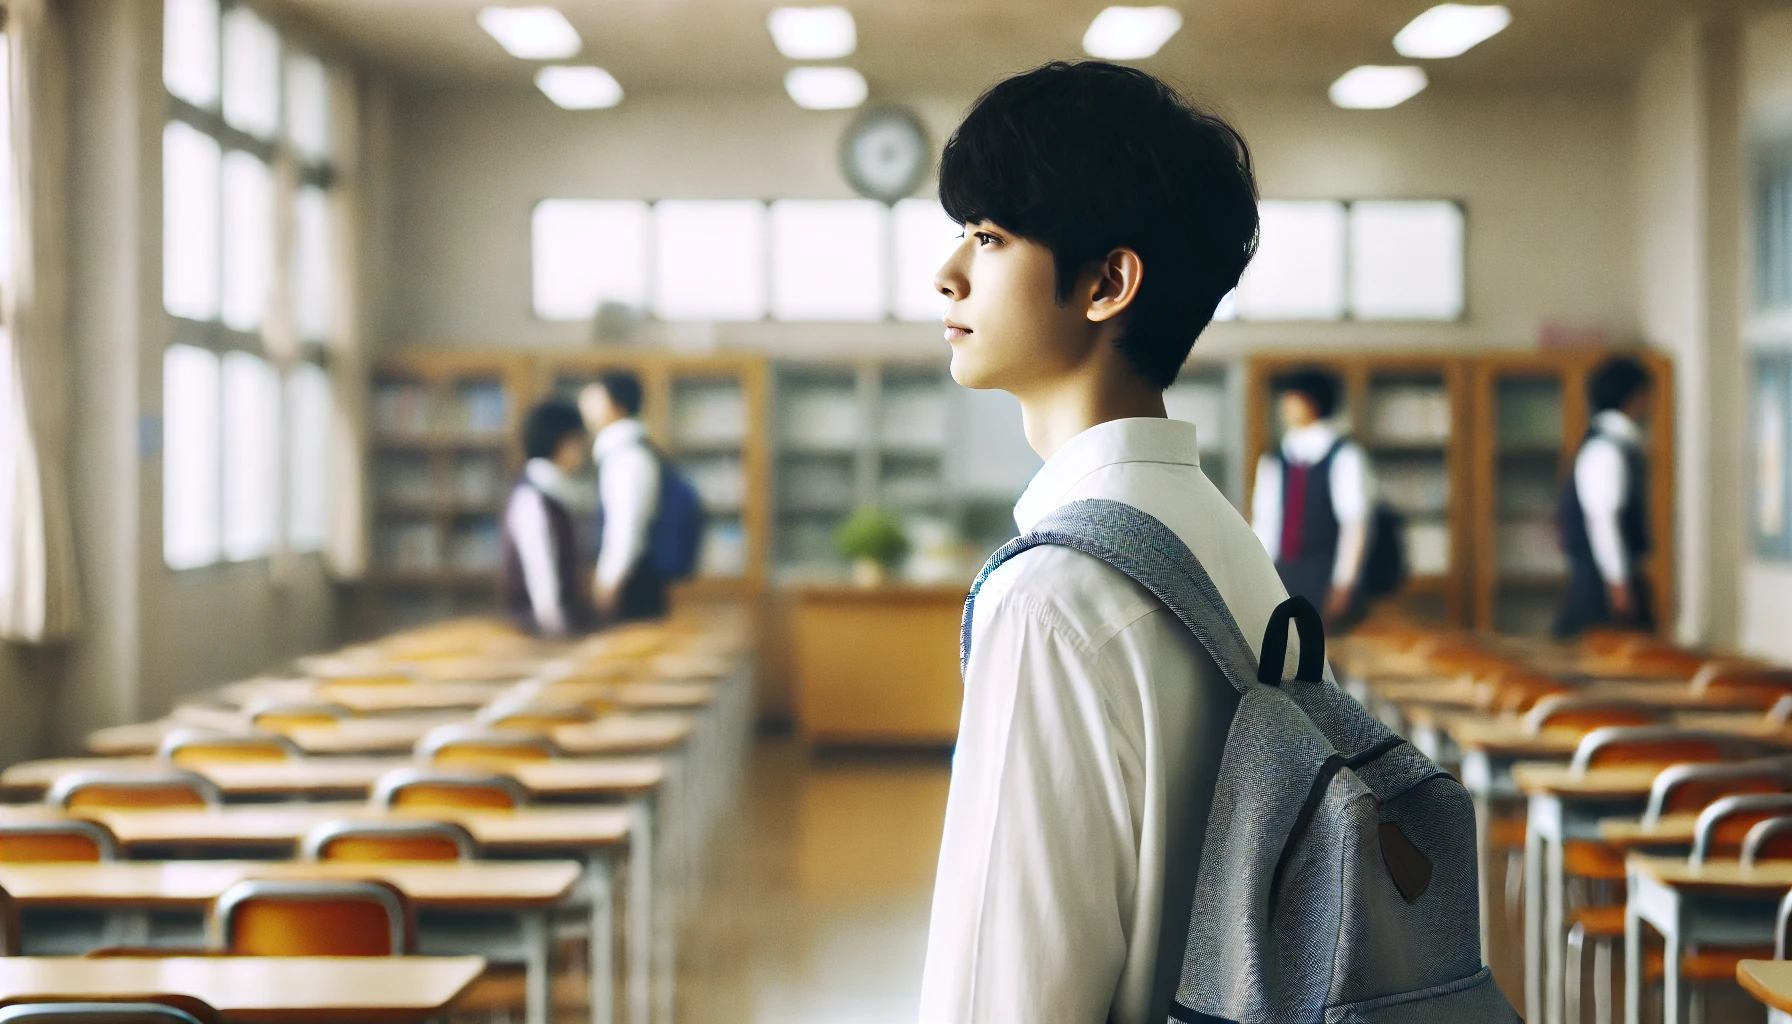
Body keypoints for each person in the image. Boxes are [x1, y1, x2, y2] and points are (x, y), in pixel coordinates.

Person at [918, 61, 1286, 1024]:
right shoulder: (1221, 537)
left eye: (990, 238)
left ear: (1108, 282)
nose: (948, 272)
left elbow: (1009, 991)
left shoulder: (1052, 595)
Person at [1249, 369, 1376, 623]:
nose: (1284, 406)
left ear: (1313, 401)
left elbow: (1354, 524)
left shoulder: (1344, 455)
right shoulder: (1275, 458)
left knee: (1328, 650)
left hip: (1325, 571)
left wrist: (1344, 583)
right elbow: (1265, 522)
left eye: (1292, 398)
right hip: (1283, 571)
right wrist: (1259, 576)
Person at [1555, 355, 1654, 637]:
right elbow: (1604, 520)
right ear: (1633, 396)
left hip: (1602, 579)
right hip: (1600, 586)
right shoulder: (1606, 450)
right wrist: (1619, 582)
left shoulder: (1612, 444)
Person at [500, 399, 595, 636]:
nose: (582, 450)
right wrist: (556, 632)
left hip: (548, 624)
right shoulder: (532, 497)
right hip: (534, 629)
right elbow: (541, 576)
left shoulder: (556, 489)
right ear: (559, 443)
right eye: (577, 441)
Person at [578, 372, 666, 623]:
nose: (586, 405)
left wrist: (609, 580)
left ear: (617, 406)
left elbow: (626, 526)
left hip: (631, 579)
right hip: (634, 575)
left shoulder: (627, 456)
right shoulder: (623, 450)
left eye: (596, 398)